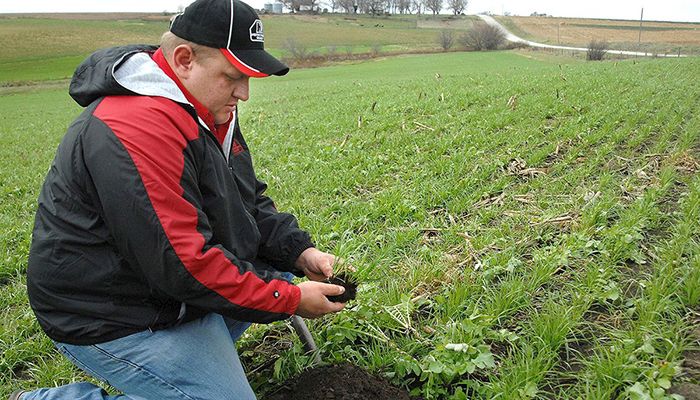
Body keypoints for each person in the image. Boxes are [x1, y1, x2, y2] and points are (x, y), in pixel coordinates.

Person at [15, 0, 346, 399]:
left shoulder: (206, 108)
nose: (244, 93)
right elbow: (182, 263)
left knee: (277, 274)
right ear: (185, 60)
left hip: (165, 291)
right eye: (233, 77)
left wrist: (298, 251)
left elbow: (245, 202)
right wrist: (289, 299)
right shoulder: (136, 126)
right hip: (111, 310)